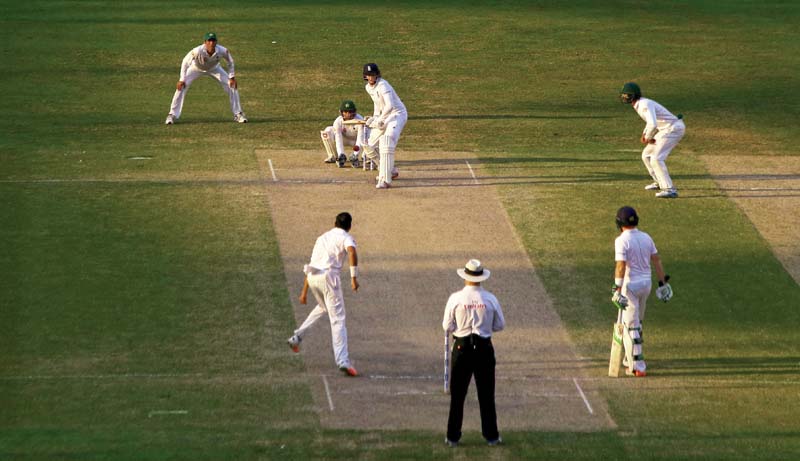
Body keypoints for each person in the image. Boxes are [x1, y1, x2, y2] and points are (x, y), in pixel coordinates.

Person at [287, 212, 360, 377]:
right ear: (349, 226)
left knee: (323, 308)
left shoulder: (322, 238)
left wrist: (304, 291)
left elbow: (312, 265)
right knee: (338, 320)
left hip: (313, 278)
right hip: (329, 279)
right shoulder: (346, 237)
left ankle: (297, 338)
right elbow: (352, 252)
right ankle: (343, 361)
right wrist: (353, 277)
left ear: (334, 223)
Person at [442, 259, 505, 447]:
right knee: (486, 395)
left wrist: (459, 328)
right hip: (484, 348)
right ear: (480, 278)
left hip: (461, 348)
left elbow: (447, 326)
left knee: (458, 396)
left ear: (465, 277)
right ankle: (491, 436)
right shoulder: (490, 299)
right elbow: (500, 325)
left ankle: (453, 437)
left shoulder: (455, 298)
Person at [612, 206, 673, 377]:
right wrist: (662, 283)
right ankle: (628, 359)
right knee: (637, 321)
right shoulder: (646, 237)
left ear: (619, 223)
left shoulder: (621, 240)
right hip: (646, 284)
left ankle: (638, 367)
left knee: (631, 326)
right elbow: (656, 260)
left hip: (630, 286)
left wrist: (616, 289)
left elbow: (621, 265)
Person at [165, 32, 247, 125]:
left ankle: (238, 114)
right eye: (209, 41)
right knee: (181, 87)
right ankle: (172, 115)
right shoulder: (197, 51)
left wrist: (232, 77)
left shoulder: (222, 50)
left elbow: (230, 61)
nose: (211, 43)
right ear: (205, 42)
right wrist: (182, 79)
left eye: (213, 41)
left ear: (216, 42)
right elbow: (185, 62)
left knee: (232, 85)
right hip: (195, 68)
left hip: (215, 69)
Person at [620, 82, 685, 198]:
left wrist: (648, 137)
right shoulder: (639, 104)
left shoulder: (644, 104)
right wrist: (645, 135)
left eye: (628, 95)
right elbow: (651, 123)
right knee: (646, 154)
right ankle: (659, 182)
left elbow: (652, 123)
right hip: (665, 129)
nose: (625, 97)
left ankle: (669, 189)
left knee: (656, 158)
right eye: (624, 95)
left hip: (673, 128)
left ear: (635, 95)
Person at [362, 63, 407, 189]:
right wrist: (374, 118)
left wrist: (380, 120)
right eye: (369, 75)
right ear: (365, 76)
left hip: (397, 115)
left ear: (377, 74)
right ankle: (390, 170)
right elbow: (378, 104)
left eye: (373, 75)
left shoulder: (383, 85)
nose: (371, 77)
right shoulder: (368, 88)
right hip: (385, 116)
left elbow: (390, 105)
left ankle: (385, 180)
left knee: (387, 141)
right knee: (369, 145)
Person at [320, 100, 367, 168]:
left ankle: (365, 156)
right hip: (344, 139)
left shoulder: (360, 120)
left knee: (370, 132)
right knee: (327, 131)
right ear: (341, 112)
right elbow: (338, 138)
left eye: (350, 111)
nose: (348, 114)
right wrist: (341, 154)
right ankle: (335, 157)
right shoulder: (338, 121)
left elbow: (360, 138)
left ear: (354, 111)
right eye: (345, 112)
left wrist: (355, 154)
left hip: (357, 141)